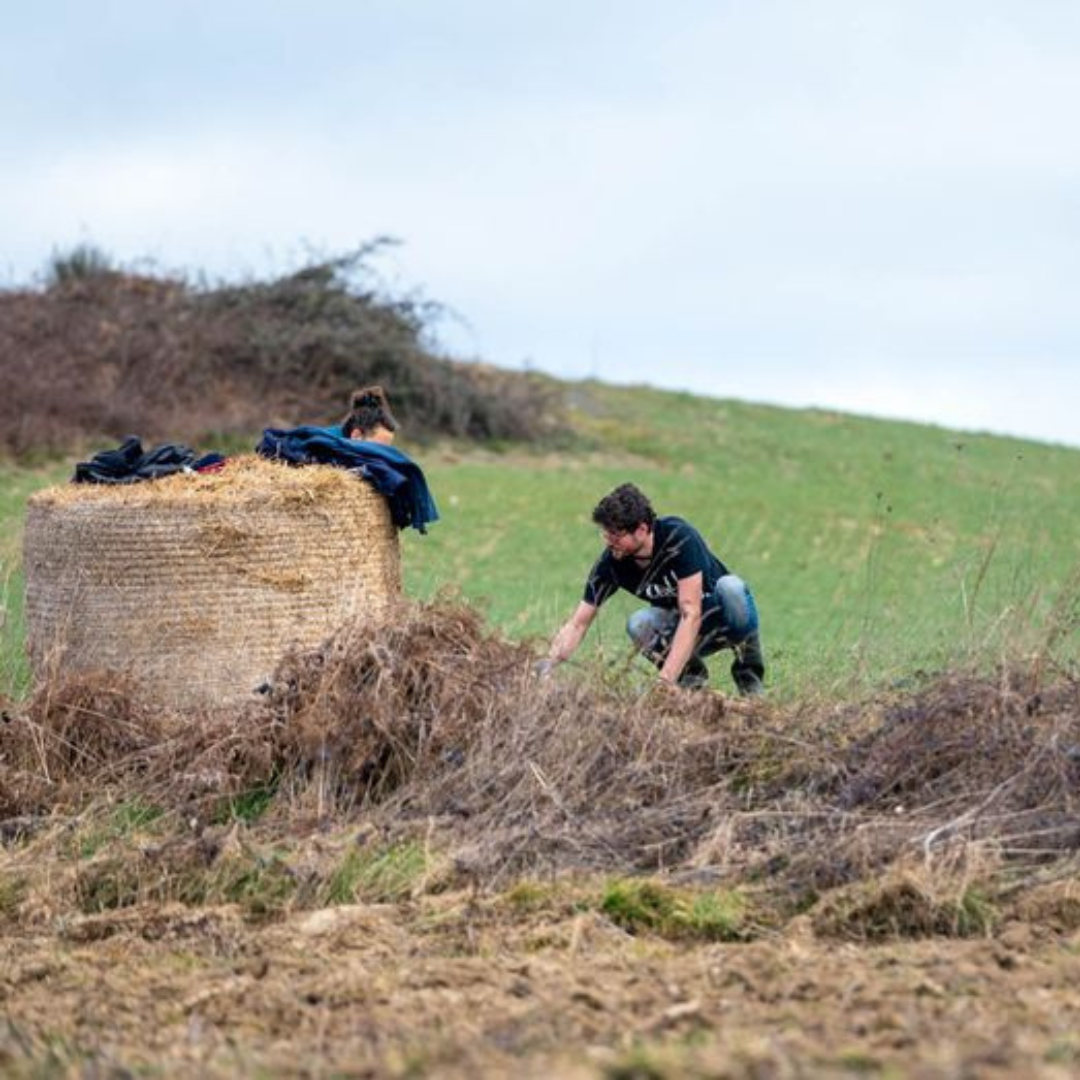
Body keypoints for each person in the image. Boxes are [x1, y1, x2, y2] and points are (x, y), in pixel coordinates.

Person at [542, 483, 765, 694]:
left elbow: (691, 613)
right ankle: (690, 684)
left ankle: (750, 682)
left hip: (720, 620)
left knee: (731, 587)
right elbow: (578, 623)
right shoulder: (611, 564)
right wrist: (546, 666)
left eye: (615, 535)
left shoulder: (678, 539)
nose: (608, 541)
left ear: (641, 529)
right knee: (639, 623)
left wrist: (664, 680)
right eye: (605, 533)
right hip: (681, 632)